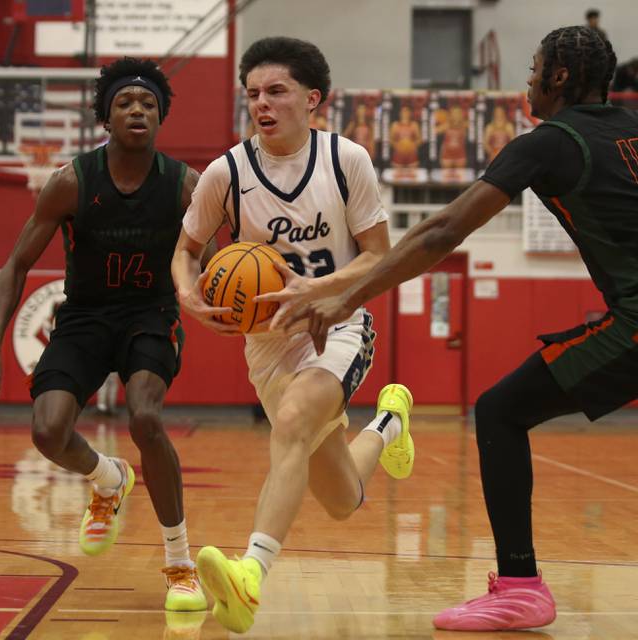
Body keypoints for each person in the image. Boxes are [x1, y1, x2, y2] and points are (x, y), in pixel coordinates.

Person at [281, 25, 637, 632]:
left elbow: (443, 231)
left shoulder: (550, 143)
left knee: (500, 411)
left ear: (558, 77)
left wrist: (347, 297)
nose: (527, 79)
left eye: (534, 68)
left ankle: (520, 588)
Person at [171, 36, 415, 634]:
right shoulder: (226, 172)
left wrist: (317, 289)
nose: (262, 103)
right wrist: (187, 294)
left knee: (291, 421)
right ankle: (389, 423)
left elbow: (378, 255)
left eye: (276, 91)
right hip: (268, 341)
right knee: (342, 499)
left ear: (312, 99)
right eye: (252, 93)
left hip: (336, 322)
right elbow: (186, 250)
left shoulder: (346, 160)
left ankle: (250, 575)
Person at [0, 57, 210, 616]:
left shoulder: (185, 185)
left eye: (148, 104)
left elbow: (212, 260)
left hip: (151, 313)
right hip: (84, 316)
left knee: (146, 418)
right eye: (125, 102)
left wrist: (207, 294)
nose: (137, 110)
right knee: (47, 430)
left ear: (160, 117)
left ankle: (179, 562)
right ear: (106, 117)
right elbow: (15, 265)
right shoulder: (71, 182)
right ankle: (108, 477)